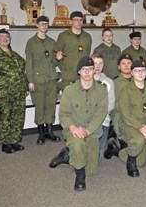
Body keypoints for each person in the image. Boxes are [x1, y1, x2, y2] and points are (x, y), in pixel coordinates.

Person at [48, 56, 108, 191]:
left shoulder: (101, 90)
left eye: (90, 69)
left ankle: (66, 155)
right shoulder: (69, 90)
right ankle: (80, 177)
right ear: (79, 72)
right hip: (73, 130)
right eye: (83, 69)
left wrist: (88, 131)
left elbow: (101, 113)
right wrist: (73, 127)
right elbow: (64, 114)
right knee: (78, 145)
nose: (87, 72)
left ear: (94, 71)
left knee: (92, 170)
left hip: (92, 132)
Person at [0, 28, 29, 154]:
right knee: (4, 118)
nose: (4, 38)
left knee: (17, 118)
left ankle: (14, 141)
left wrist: (25, 88)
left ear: (10, 39)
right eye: (2, 36)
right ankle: (5, 143)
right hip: (2, 93)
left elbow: (22, 73)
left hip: (18, 93)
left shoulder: (16, 57)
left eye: (6, 36)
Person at [117, 59, 146, 177]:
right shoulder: (126, 91)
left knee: (141, 162)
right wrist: (141, 128)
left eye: (142, 70)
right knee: (139, 140)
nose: (140, 73)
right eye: (136, 71)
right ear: (132, 73)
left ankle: (117, 151)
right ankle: (130, 161)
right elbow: (125, 114)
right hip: (129, 125)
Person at [25, 15, 62, 145]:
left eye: (46, 24)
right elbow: (28, 63)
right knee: (40, 106)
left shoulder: (52, 42)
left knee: (51, 105)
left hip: (51, 78)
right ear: (37, 25)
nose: (44, 26)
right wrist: (30, 81)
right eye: (42, 24)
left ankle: (49, 131)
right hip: (37, 80)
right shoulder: (31, 42)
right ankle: (41, 133)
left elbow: (53, 62)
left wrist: (57, 58)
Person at [104, 52, 133, 159]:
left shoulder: (139, 80)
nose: (126, 65)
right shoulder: (114, 82)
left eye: (129, 63)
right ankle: (121, 144)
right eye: (123, 63)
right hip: (120, 113)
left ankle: (114, 147)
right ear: (118, 67)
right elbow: (113, 104)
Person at [55, 11, 92, 91]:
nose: (79, 22)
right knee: (68, 102)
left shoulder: (87, 37)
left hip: (83, 77)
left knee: (83, 102)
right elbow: (57, 55)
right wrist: (65, 68)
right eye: (76, 20)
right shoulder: (63, 36)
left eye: (81, 20)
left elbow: (87, 55)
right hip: (68, 78)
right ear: (71, 21)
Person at [91, 53, 115, 157]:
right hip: (86, 121)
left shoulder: (109, 82)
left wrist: (97, 116)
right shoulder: (84, 81)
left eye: (100, 63)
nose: (97, 66)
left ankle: (110, 143)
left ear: (103, 65)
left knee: (100, 155)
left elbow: (111, 104)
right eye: (95, 63)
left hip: (102, 120)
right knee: (88, 153)